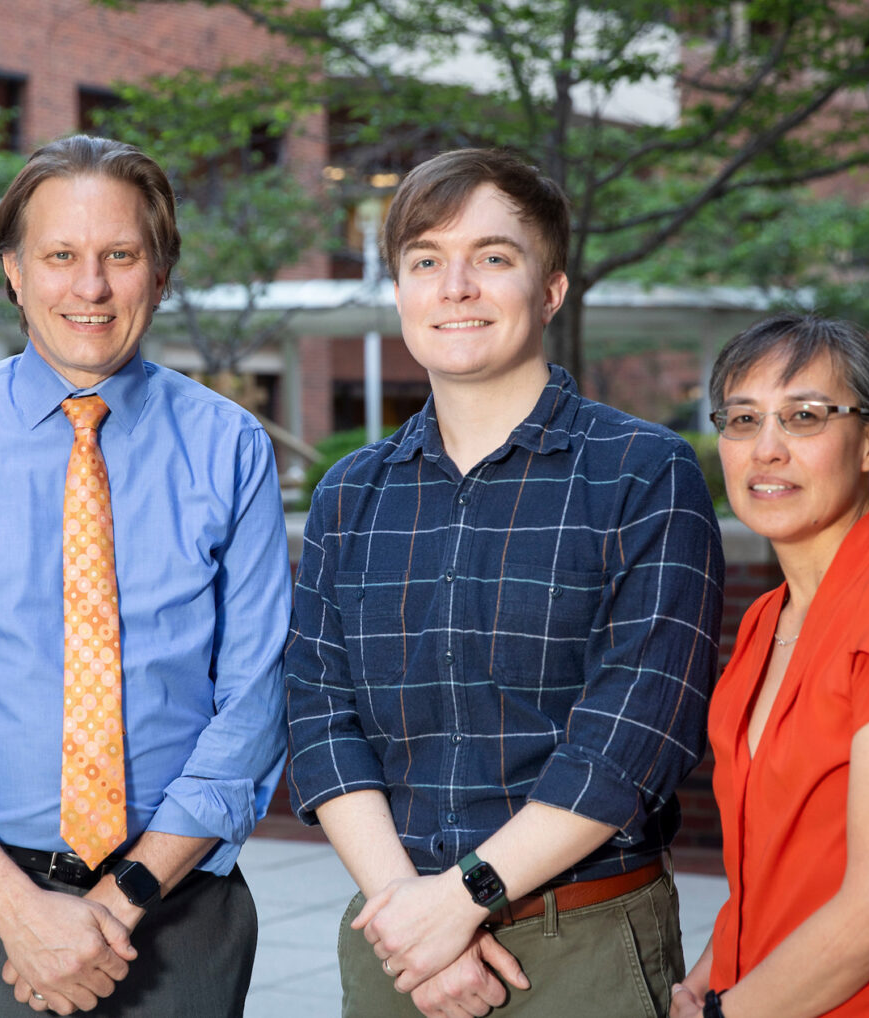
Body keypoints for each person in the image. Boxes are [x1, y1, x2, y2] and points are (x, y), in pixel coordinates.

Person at [0, 135, 291, 1017]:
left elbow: (254, 702)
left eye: (120, 256)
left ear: (159, 274)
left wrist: (121, 900)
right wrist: (17, 910)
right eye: (60, 256)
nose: (90, 288)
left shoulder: (231, 447)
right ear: (13, 270)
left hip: (173, 911)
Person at [285, 147, 725, 1018]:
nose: (455, 287)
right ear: (401, 293)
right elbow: (316, 714)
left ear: (551, 290)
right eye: (424, 261)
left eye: (492, 257)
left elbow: (633, 735)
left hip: (583, 946)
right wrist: (413, 916)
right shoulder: (351, 494)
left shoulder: (643, 473)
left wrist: (461, 901)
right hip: (396, 947)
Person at [669, 313, 869, 1018]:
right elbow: (773, 871)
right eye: (743, 420)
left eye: (804, 417)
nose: (767, 450)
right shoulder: (763, 620)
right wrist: (702, 982)